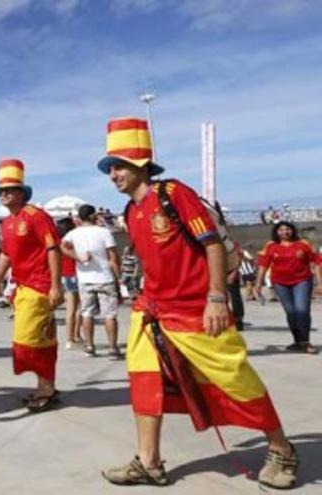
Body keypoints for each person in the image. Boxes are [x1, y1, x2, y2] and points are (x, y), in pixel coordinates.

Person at [96, 116, 296, 489]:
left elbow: (212, 244)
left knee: (235, 378)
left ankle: (282, 448)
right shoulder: (129, 212)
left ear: (140, 165)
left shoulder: (173, 194)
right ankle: (149, 462)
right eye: (110, 168)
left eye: (119, 166)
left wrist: (217, 298)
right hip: (151, 310)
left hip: (196, 310)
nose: (113, 175)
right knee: (144, 381)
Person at [0, 159, 62, 413]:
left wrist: (55, 285)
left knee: (29, 340)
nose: (5, 195)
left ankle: (47, 388)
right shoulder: (6, 223)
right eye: (1, 191)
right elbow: (7, 254)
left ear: (22, 192)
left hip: (39, 287)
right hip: (21, 288)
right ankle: (46, 387)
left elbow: (53, 248)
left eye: (10, 190)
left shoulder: (36, 216)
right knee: (40, 339)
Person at [61, 204, 122, 359]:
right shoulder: (104, 232)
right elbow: (113, 258)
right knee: (110, 314)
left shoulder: (74, 233)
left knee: (87, 313)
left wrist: (78, 257)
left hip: (85, 278)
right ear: (93, 216)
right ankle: (113, 347)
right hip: (105, 277)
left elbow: (63, 246)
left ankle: (89, 345)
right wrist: (119, 278)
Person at [256, 221, 320, 353]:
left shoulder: (303, 244)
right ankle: (297, 341)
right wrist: (258, 284)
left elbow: (316, 262)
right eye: (281, 230)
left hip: (302, 281)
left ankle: (305, 342)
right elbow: (263, 265)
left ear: (293, 230)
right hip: (280, 283)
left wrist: (319, 282)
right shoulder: (270, 246)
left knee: (302, 310)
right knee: (291, 313)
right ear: (276, 232)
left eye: (288, 229)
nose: (285, 232)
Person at [56, 217, 82, 350]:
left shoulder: (57, 242)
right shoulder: (72, 242)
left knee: (71, 308)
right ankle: (74, 337)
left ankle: (71, 338)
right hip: (75, 274)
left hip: (64, 275)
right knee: (78, 308)